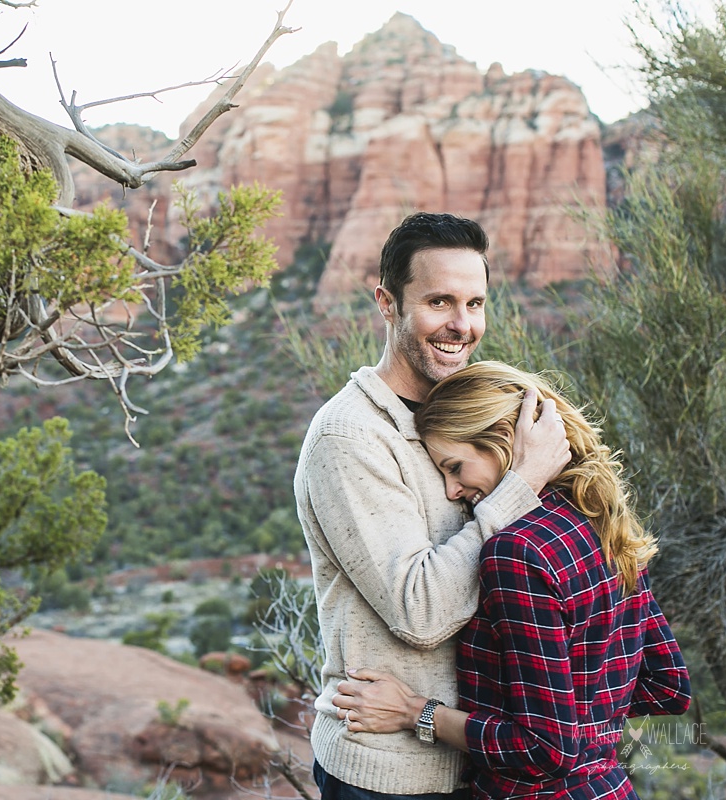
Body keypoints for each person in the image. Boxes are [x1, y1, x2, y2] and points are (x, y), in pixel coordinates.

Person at [294, 212, 572, 799]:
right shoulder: (350, 437)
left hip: (490, 758)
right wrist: (519, 484)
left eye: (475, 304)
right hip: (388, 771)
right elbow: (419, 611)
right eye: (440, 302)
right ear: (387, 303)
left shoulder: (479, 413)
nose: (461, 325)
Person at [331, 361, 691, 799]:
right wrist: (582, 727)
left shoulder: (515, 552)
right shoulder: (602, 521)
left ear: (503, 442)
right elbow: (667, 684)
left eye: (455, 467)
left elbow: (544, 749)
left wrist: (416, 713)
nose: (451, 490)